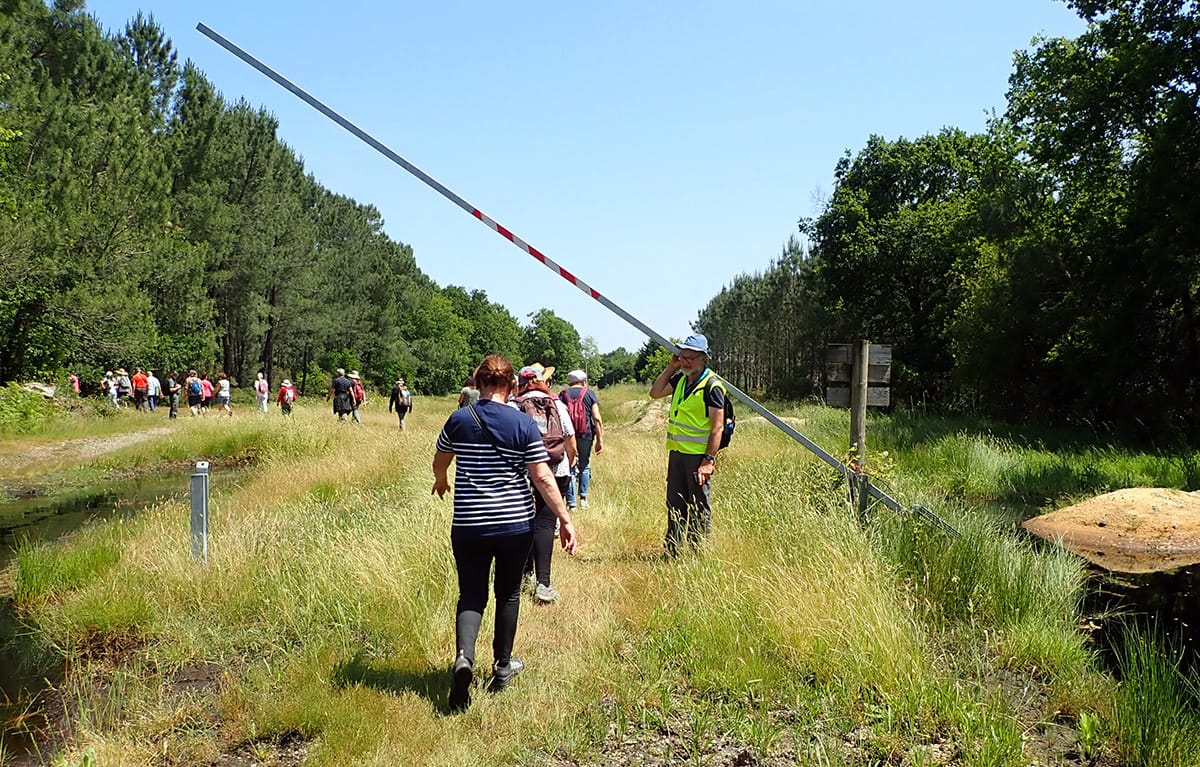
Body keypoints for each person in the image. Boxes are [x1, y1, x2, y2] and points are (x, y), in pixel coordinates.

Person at [432, 354, 577, 713]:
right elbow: (542, 476)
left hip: (469, 524)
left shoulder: (459, 419)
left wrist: (440, 479)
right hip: (515, 524)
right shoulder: (522, 423)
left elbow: (440, 457)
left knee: (470, 595)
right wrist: (565, 518)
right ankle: (501, 667)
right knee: (508, 593)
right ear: (511, 386)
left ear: (477, 383)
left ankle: (464, 658)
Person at [648, 334, 725, 558]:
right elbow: (655, 393)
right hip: (678, 454)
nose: (686, 362)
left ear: (703, 358)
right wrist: (671, 367)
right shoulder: (681, 380)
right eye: (682, 357)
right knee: (675, 504)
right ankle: (672, 550)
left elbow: (717, 428)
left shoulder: (712, 386)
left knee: (699, 506)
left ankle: (698, 553)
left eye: (690, 358)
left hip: (698, 457)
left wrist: (708, 461)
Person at [514, 364, 576, 604]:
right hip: (556, 469)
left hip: (525, 471)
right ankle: (544, 584)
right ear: (542, 382)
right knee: (545, 524)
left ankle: (525, 572)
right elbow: (569, 439)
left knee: (524, 521)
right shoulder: (557, 404)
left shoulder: (514, 405)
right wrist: (568, 467)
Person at [560, 369, 604, 510]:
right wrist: (600, 440)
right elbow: (596, 417)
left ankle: (571, 503)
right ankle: (584, 499)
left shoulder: (563, 394)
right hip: (586, 434)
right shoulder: (589, 394)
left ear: (570, 381)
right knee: (584, 464)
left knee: (570, 466)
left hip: (568, 435)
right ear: (583, 381)